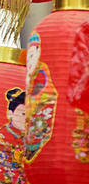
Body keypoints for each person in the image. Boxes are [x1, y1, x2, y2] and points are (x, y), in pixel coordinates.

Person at [24, 32, 58, 162]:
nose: (31, 61)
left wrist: (32, 101)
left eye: (33, 55)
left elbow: (46, 92)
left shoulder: (41, 70)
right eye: (29, 57)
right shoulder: (31, 72)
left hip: (42, 108)